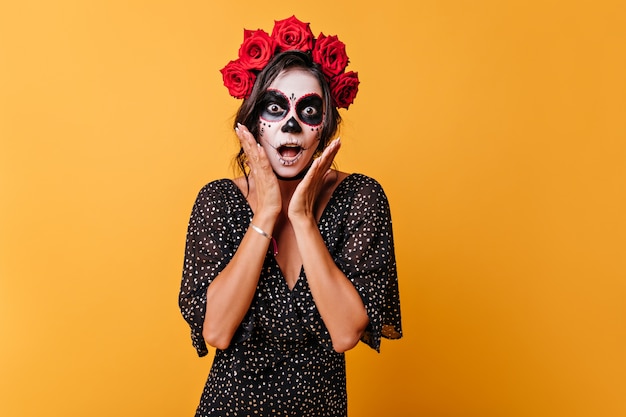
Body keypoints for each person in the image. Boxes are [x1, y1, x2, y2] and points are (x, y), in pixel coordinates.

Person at [179, 16, 402, 417]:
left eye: (309, 110)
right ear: (253, 123)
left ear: (326, 126)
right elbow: (216, 330)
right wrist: (266, 212)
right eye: (276, 108)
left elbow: (346, 332)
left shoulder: (359, 199)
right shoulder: (218, 202)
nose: (292, 125)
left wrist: (302, 217)